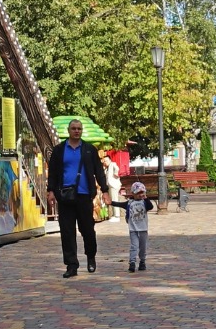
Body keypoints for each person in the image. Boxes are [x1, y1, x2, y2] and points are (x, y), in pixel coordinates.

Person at [46, 119, 108, 278]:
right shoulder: (59, 150)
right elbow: (52, 172)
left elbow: (99, 171)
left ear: (82, 131)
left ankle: (91, 257)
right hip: (65, 196)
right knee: (67, 232)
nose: (76, 131)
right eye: (73, 128)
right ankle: (71, 265)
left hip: (84, 195)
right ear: (68, 130)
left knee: (87, 230)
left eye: (79, 129)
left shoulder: (89, 150)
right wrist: (51, 191)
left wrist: (105, 190)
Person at [112, 180, 157, 273]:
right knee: (134, 246)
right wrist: (110, 202)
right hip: (133, 229)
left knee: (143, 247)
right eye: (138, 193)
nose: (140, 195)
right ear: (133, 193)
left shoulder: (144, 202)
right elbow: (119, 204)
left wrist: (146, 198)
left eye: (142, 192)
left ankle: (142, 261)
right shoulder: (129, 203)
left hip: (143, 229)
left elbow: (150, 207)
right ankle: (132, 262)